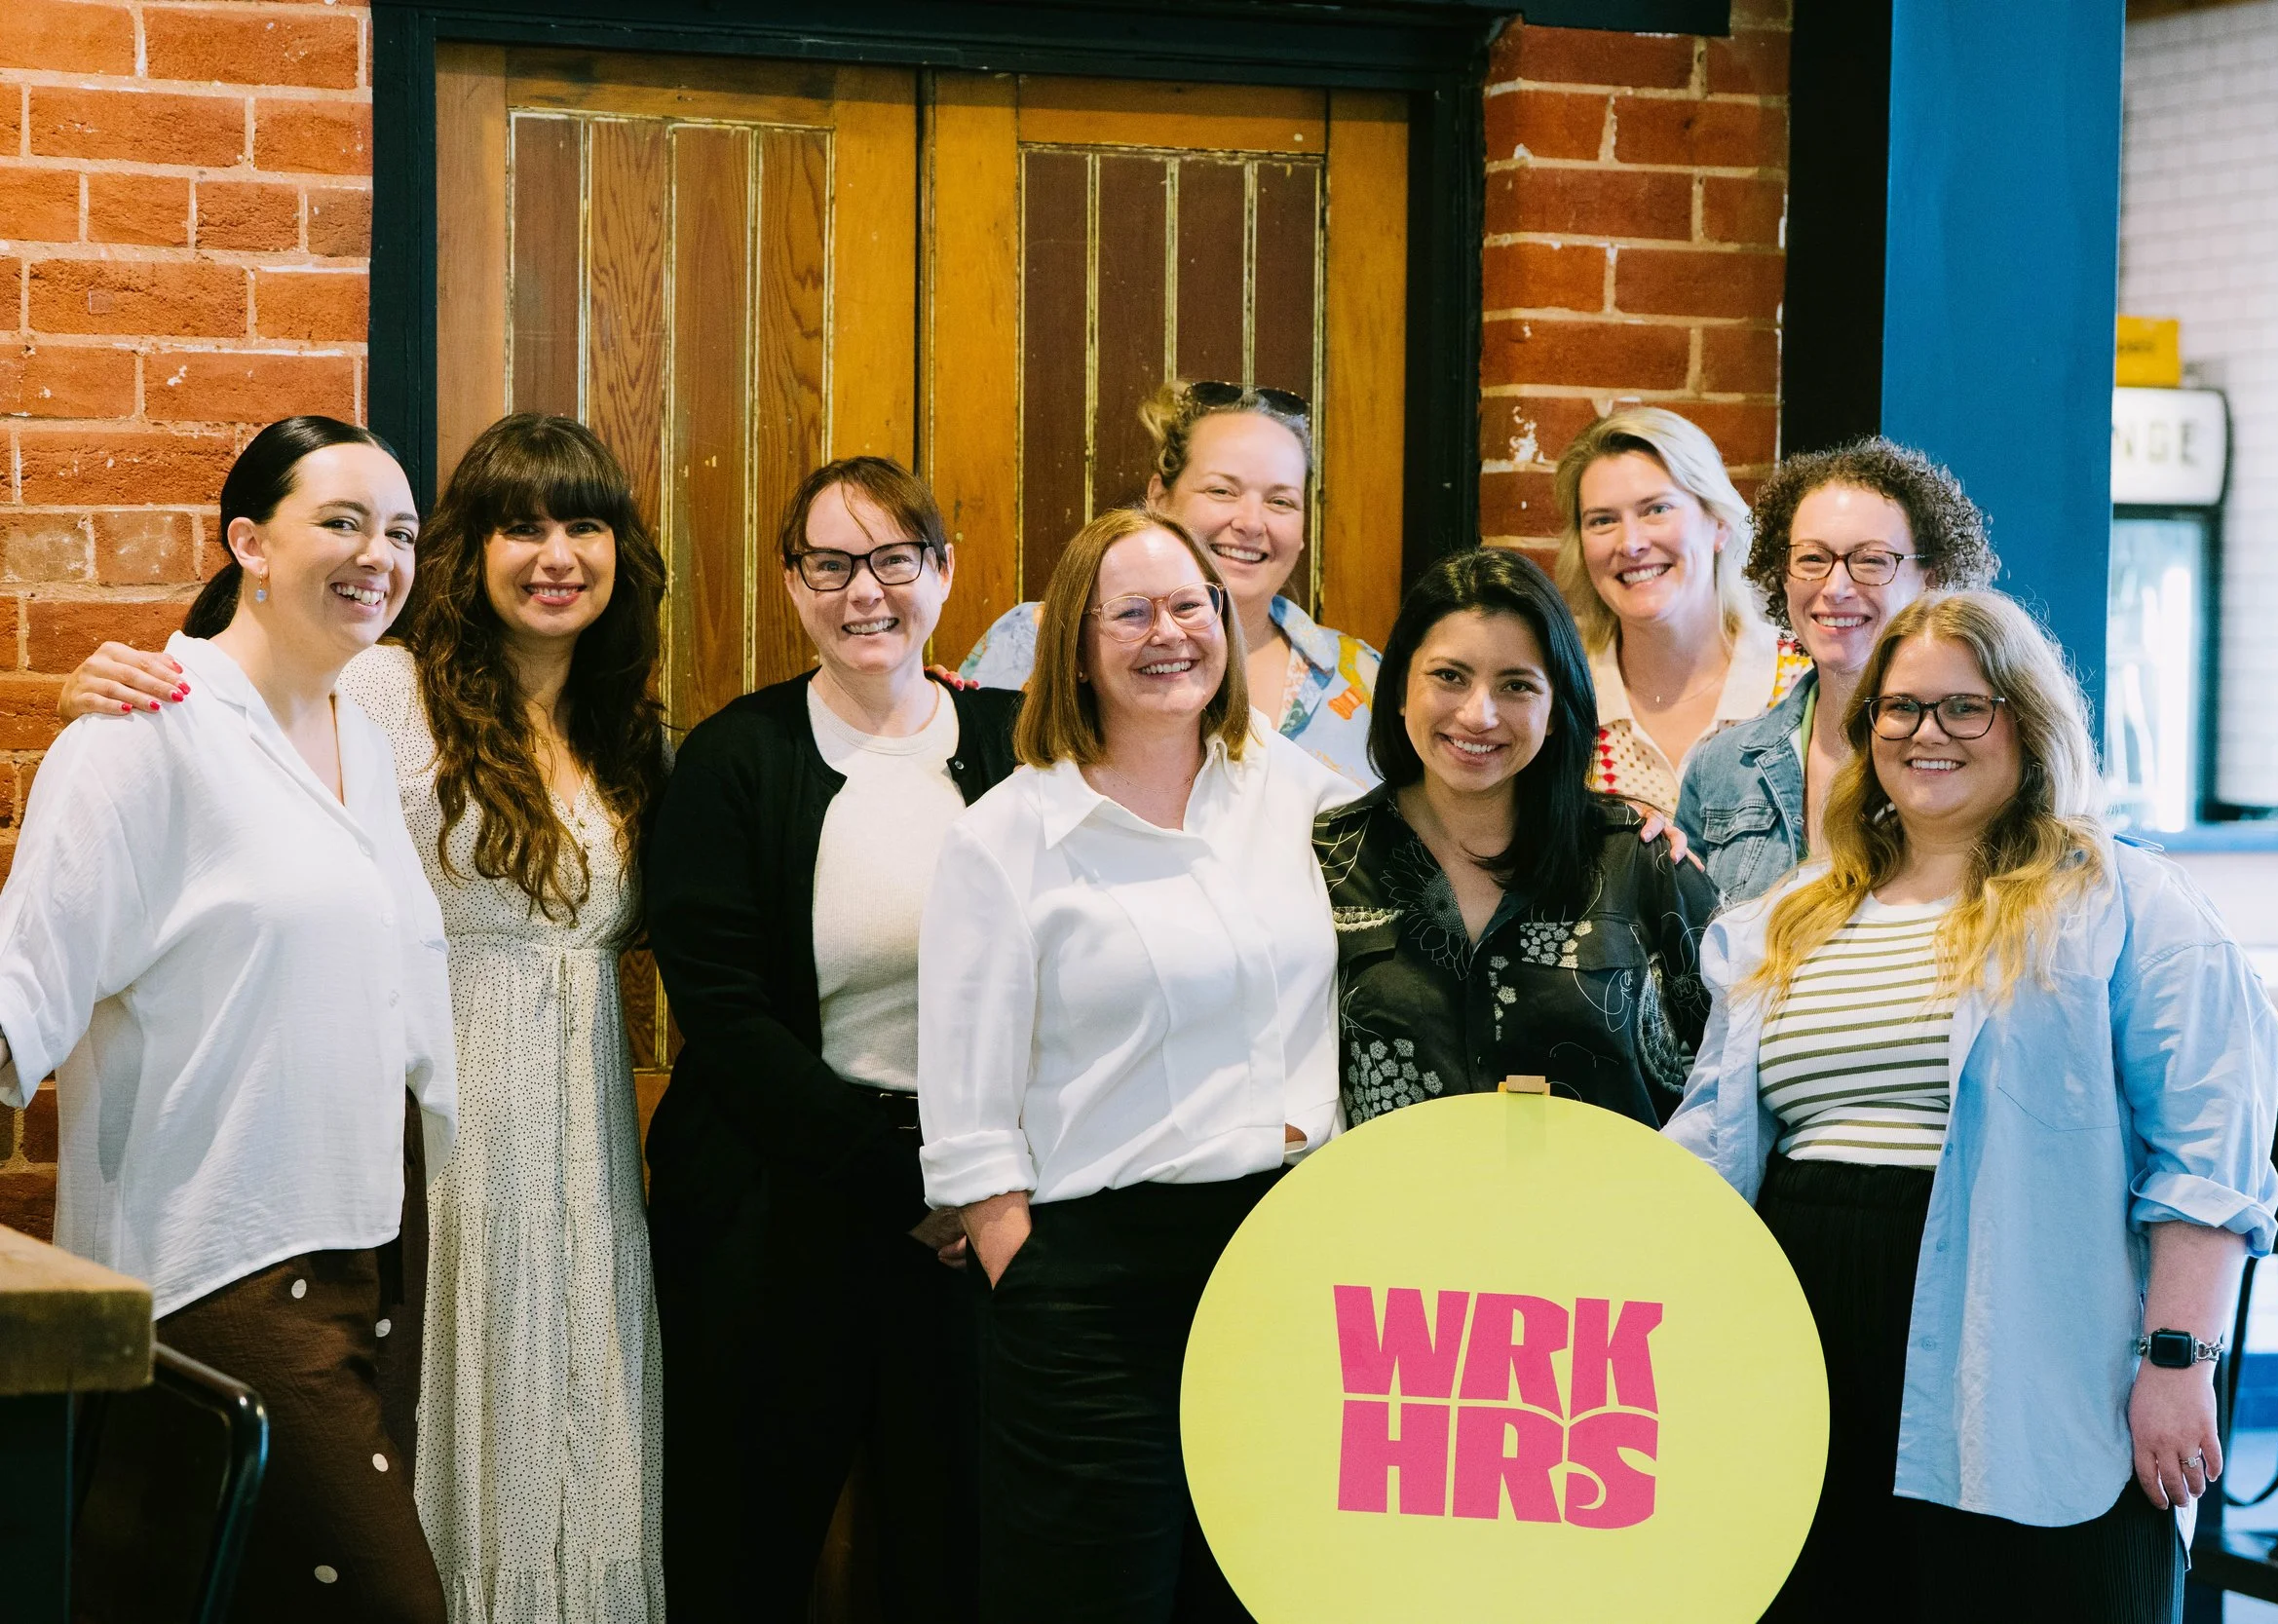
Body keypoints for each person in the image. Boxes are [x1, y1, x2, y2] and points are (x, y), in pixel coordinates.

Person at [57, 413, 673, 1623]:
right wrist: (121, 677)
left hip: (586, 1166)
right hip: (431, 1157)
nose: (556, 554)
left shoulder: (631, 731)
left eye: (584, 525)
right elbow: (231, 713)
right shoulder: (381, 687)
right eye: (520, 526)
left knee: (583, 1447)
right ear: (467, 553)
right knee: (412, 1468)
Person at [1664, 590, 2278, 1624]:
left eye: (1965, 706)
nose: (1925, 733)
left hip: (2029, 1347)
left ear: (2026, 722)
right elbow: (1704, 1145)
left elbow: (2205, 1153)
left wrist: (2179, 1361)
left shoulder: (2123, 900)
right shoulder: (1782, 921)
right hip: (1800, 1339)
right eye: (1899, 709)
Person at [0, 417, 458, 1621]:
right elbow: (25, 982)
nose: (380, 554)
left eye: (403, 531)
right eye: (343, 521)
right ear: (248, 541)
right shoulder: (142, 732)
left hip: (370, 1239)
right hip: (229, 1255)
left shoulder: (359, 726)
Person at [919, 506, 1351, 1621]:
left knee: (1266, 1590)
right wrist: (1040, 1288)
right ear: (1074, 643)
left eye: (1190, 604)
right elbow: (967, 1126)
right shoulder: (1006, 838)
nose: (1170, 632)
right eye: (1131, 611)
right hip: (1096, 1290)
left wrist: (1628, 831)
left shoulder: (1293, 790)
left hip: (1288, 1264)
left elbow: (1461, 832)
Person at [643, 457, 1021, 1622]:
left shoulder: (1024, 744)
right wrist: (910, 1188)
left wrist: (979, 1185)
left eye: (894, 559)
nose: (866, 592)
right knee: (741, 1551)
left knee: (956, 1552)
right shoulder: (730, 760)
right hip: (776, 1213)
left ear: (944, 572)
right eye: (830, 563)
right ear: (792, 583)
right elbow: (729, 1016)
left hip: (983, 1222)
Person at [1317, 548, 1716, 1128]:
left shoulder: (1638, 857)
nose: (1479, 715)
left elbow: (1736, 1065)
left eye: (1516, 686)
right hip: (1396, 1213)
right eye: (1449, 676)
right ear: (1401, 688)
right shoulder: (1327, 862)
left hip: (1615, 1214)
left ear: (1556, 709)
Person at [960, 378, 1381, 785]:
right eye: (1221, 491)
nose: (1252, 523)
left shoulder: (1365, 678)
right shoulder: (1034, 638)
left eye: (1280, 501)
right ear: (1159, 498)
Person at [1674, 438, 1999, 904]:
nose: (1836, 587)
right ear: (1780, 573)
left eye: (1871, 560)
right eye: (1812, 559)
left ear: (1931, 576)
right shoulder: (1721, 767)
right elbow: (1689, 956)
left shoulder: (1977, 752)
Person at [1551, 407, 1806, 812]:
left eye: (1657, 509)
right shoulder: (1561, 698)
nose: (1630, 543)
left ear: (1718, 523)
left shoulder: (1803, 684)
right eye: (1602, 520)